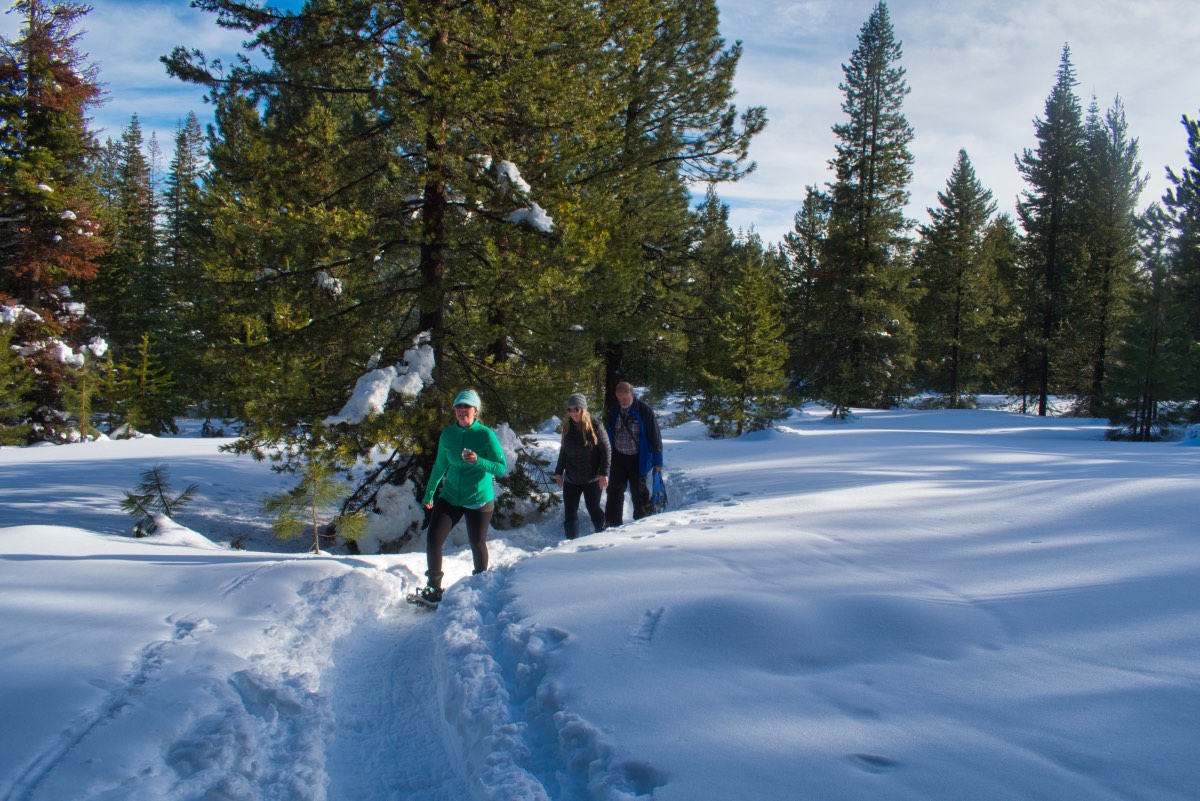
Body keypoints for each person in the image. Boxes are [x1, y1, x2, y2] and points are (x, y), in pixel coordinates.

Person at [417, 389, 507, 606]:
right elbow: (440, 465)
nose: (461, 411)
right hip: (450, 496)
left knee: (477, 543)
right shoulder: (448, 434)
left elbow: (501, 467)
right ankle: (434, 587)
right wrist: (430, 492)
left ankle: (480, 583)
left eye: (466, 407)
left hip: (478, 498)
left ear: (475, 411)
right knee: (434, 539)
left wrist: (478, 461)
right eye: (458, 407)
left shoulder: (485, 435)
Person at [553, 393, 611, 539]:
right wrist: (559, 472)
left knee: (593, 508)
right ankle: (571, 544)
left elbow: (606, 450)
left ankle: (604, 537)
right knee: (570, 511)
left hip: (591, 478)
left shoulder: (596, 426)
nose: (572, 413)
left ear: (583, 410)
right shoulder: (567, 427)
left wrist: (604, 473)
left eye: (576, 409)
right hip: (571, 478)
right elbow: (563, 451)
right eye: (569, 409)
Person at [604, 382, 663, 527]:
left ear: (632, 394)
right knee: (614, 490)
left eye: (625, 398)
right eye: (619, 398)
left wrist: (658, 462)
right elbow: (606, 432)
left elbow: (655, 436)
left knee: (639, 491)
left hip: (638, 458)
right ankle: (612, 522)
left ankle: (642, 522)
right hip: (618, 456)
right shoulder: (614, 410)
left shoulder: (644, 411)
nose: (622, 401)